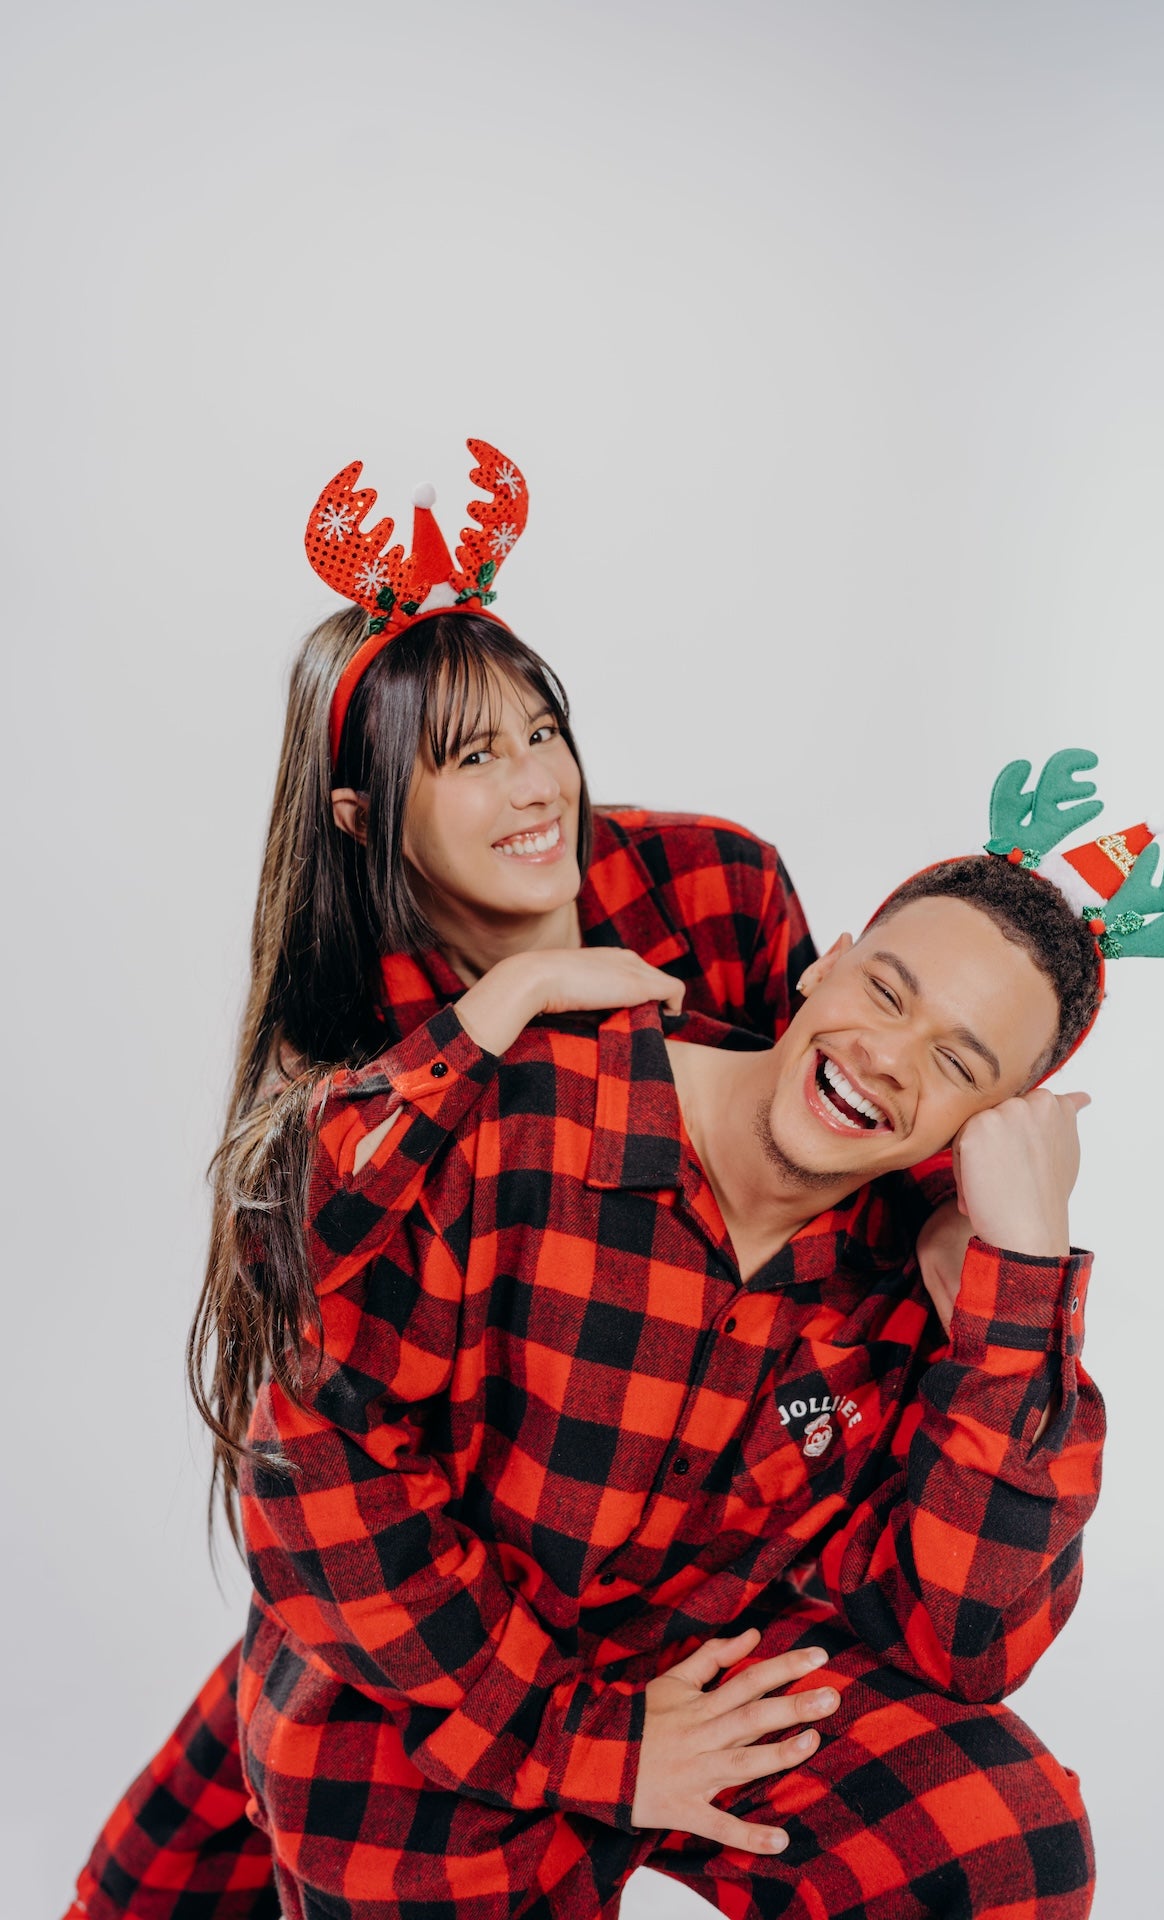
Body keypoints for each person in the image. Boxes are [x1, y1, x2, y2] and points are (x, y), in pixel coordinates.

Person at [65, 442, 963, 1920]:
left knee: (977, 1837)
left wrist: (953, 1232)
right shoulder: (346, 1046)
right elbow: (321, 1364)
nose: (536, 784)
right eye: (470, 759)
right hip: (432, 1564)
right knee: (262, 1807)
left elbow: (843, 1106)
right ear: (365, 819)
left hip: (682, 1520)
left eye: (542, 731)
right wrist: (498, 1020)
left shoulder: (717, 888)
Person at [227, 740, 1164, 1920]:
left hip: (703, 1676)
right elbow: (315, 1473)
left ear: (987, 1123)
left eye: (956, 1061)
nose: (882, 1058)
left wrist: (1022, 1282)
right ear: (826, 967)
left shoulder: (926, 1272)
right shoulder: (529, 1108)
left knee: (997, 1847)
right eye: (885, 993)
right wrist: (592, 1744)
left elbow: (966, 1640)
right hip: (433, 1703)